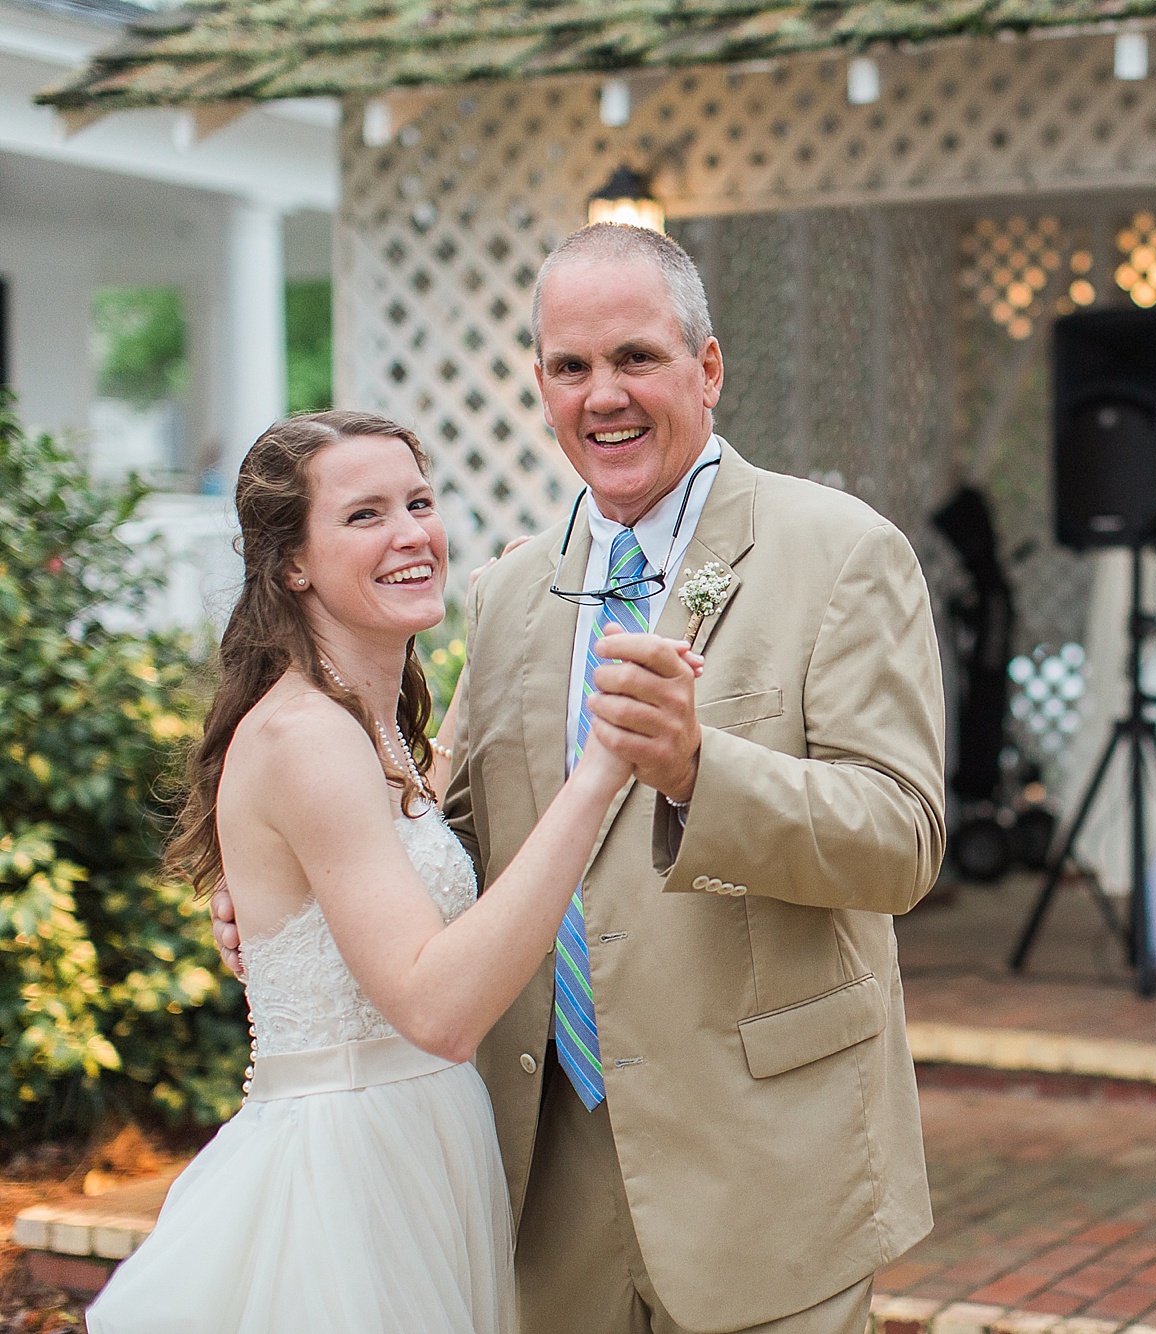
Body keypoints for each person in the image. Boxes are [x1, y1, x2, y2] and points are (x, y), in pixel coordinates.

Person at [214, 223, 947, 1334]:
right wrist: (291, 898)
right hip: (539, 1182)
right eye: (570, 366)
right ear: (544, 388)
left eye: (635, 358)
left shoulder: (840, 552)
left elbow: (900, 840)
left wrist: (703, 769)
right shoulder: (509, 591)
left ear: (706, 368)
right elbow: (454, 836)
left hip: (766, 1168)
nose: (601, 394)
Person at [90, 410, 668, 1333]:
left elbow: (437, 810)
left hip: (424, 1146)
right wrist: (601, 770)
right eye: (364, 516)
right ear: (292, 564)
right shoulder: (308, 738)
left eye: (419, 502)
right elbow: (436, 1011)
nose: (411, 534)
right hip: (345, 1182)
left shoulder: (375, 728)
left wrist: (506, 630)